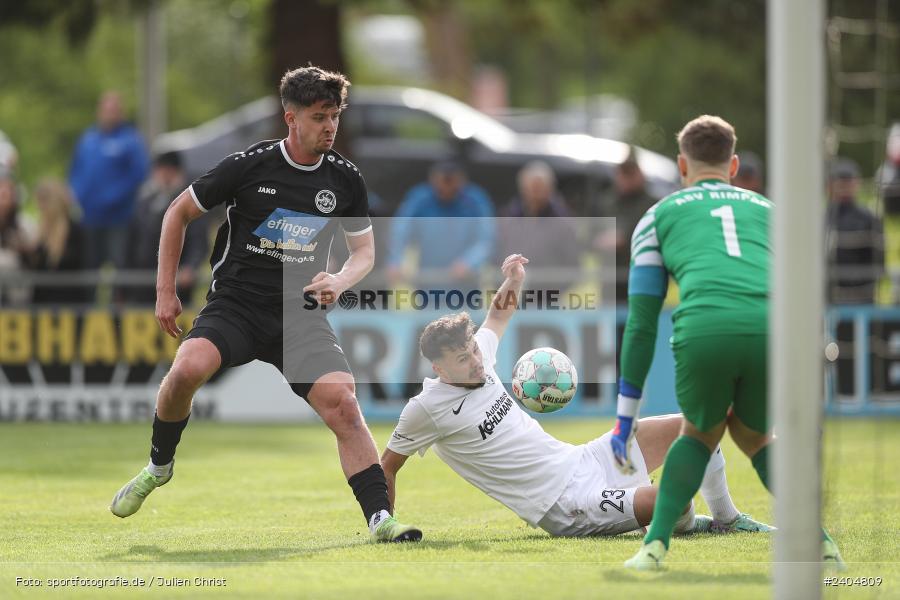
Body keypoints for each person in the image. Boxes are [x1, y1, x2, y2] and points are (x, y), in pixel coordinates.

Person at [109, 66, 421, 543]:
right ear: (290, 118)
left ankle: (381, 520)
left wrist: (339, 280)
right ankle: (159, 465)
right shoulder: (248, 166)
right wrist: (165, 291)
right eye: (319, 117)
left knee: (343, 403)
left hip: (299, 314)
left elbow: (364, 253)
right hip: (236, 304)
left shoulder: (344, 179)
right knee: (187, 369)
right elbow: (178, 212)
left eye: (335, 116)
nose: (330, 127)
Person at [381, 254, 771, 538]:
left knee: (696, 426)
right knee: (676, 498)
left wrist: (514, 278)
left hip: (583, 458)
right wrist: (386, 524)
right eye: (464, 359)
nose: (477, 362)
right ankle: (685, 521)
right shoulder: (426, 409)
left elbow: (498, 316)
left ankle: (727, 518)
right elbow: (388, 465)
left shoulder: (480, 357)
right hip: (564, 504)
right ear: (439, 369)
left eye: (475, 351)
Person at [611, 115, 844, 570]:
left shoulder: (657, 217)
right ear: (733, 165)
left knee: (698, 432)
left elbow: (641, 323)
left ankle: (654, 547)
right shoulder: (770, 211)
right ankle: (822, 542)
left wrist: (625, 420)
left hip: (704, 331)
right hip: (771, 330)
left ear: (682, 166)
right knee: (754, 436)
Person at [69, 91, 150, 269]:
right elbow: (75, 171)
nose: (109, 114)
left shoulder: (131, 140)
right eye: (106, 109)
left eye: (113, 110)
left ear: (121, 113)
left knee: (120, 266)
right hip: (89, 218)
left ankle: (120, 297)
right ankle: (90, 298)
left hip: (119, 219)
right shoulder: (87, 139)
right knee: (88, 266)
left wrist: (112, 198)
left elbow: (139, 175)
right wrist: (77, 195)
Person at [386, 161, 494, 294]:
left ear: (461, 181)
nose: (447, 189)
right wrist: (396, 261)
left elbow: (486, 239)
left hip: (465, 284)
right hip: (428, 282)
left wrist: (469, 262)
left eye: (451, 183)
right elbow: (400, 231)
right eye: (442, 183)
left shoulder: (475, 201)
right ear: (433, 180)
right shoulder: (420, 199)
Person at [128, 151, 209, 304]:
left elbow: (199, 240)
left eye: (169, 171)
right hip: (142, 282)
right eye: (160, 170)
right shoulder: (144, 202)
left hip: (176, 282)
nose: (164, 176)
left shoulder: (190, 204)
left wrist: (191, 267)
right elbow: (133, 240)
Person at [496, 161, 580, 294]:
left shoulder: (563, 223)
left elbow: (573, 266)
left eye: (539, 189)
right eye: (531, 188)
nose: (535, 194)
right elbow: (498, 255)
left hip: (548, 298)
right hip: (512, 293)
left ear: (550, 189)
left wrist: (555, 290)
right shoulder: (509, 218)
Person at [592, 151, 658, 305]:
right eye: (623, 174)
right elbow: (589, 237)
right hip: (611, 278)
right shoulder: (605, 202)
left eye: (631, 174)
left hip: (643, 275)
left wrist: (625, 240)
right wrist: (601, 241)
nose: (626, 180)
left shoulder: (652, 203)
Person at [825, 157, 884, 305]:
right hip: (828, 301)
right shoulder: (822, 220)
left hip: (862, 301)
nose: (845, 187)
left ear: (857, 183)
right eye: (840, 182)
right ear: (830, 186)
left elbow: (879, 263)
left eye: (848, 182)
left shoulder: (869, 219)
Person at [20, 178, 88, 304]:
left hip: (67, 303)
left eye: (43, 201)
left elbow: (75, 264)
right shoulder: (41, 231)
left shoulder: (75, 231)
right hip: (42, 303)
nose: (40, 206)